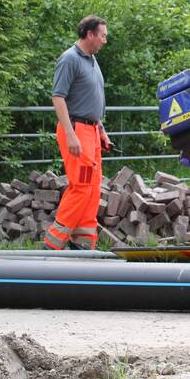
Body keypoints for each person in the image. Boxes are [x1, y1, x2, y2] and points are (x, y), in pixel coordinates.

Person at [42, 16, 112, 250]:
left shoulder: (91, 60)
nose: (105, 40)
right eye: (102, 35)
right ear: (90, 34)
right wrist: (71, 135)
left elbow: (89, 99)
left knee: (92, 187)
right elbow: (58, 97)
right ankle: (53, 243)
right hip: (77, 130)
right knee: (81, 185)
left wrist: (100, 128)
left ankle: (83, 242)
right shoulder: (70, 59)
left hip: (91, 130)